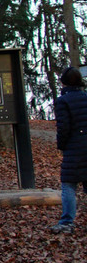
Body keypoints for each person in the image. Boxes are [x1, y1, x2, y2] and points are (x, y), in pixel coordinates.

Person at [51, 66, 87, 234]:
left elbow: (63, 127)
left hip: (74, 148)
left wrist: (61, 145)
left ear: (64, 82)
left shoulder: (63, 101)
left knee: (68, 185)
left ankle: (67, 222)